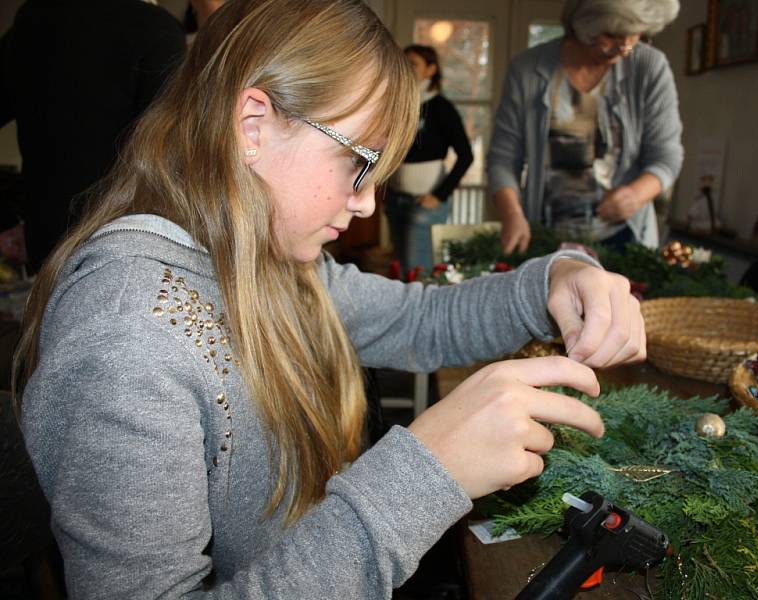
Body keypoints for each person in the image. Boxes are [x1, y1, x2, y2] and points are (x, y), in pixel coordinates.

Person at [13, 1, 645, 597]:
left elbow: (419, 318)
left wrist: (554, 278)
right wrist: (427, 472)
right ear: (253, 126)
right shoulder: (128, 338)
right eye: (358, 162)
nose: (368, 201)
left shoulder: (269, 258)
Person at [0, 0, 187, 272]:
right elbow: (172, 160)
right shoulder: (153, 29)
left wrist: (4, 221)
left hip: (51, 246)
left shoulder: (33, 19)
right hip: (129, 250)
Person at [488, 0, 684, 254]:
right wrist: (513, 215)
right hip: (545, 238)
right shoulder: (526, 69)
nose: (625, 47)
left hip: (624, 238)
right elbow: (503, 158)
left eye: (635, 35)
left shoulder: (649, 67)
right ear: (584, 25)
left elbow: (667, 156)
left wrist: (636, 195)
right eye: (611, 35)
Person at [384, 44, 473, 273]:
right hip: (395, 200)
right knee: (400, 270)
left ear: (431, 69)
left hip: (425, 205)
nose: (406, 68)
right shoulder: (398, 106)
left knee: (418, 272)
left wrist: (439, 195)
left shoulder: (442, 108)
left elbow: (466, 156)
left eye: (413, 64)